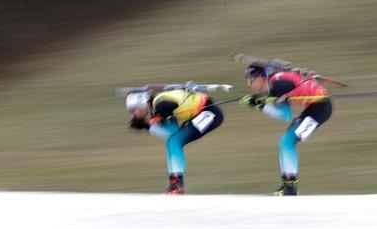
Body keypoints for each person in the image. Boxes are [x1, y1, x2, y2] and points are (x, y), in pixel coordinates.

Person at [240, 62, 332, 196]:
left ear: (261, 77)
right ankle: (288, 186)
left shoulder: (277, 85)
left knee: (287, 142)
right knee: (286, 142)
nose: (249, 84)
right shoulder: (278, 80)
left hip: (319, 108)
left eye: (251, 79)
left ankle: (290, 187)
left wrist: (258, 105)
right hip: (317, 107)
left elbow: (285, 116)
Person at [126, 87, 224, 194]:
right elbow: (171, 131)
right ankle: (175, 183)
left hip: (208, 112)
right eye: (131, 111)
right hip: (201, 113)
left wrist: (156, 119)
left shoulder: (160, 105)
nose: (134, 114)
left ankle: (176, 183)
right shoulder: (156, 105)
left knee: (174, 142)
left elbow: (169, 106)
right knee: (173, 140)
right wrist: (147, 125)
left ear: (142, 104)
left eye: (134, 109)